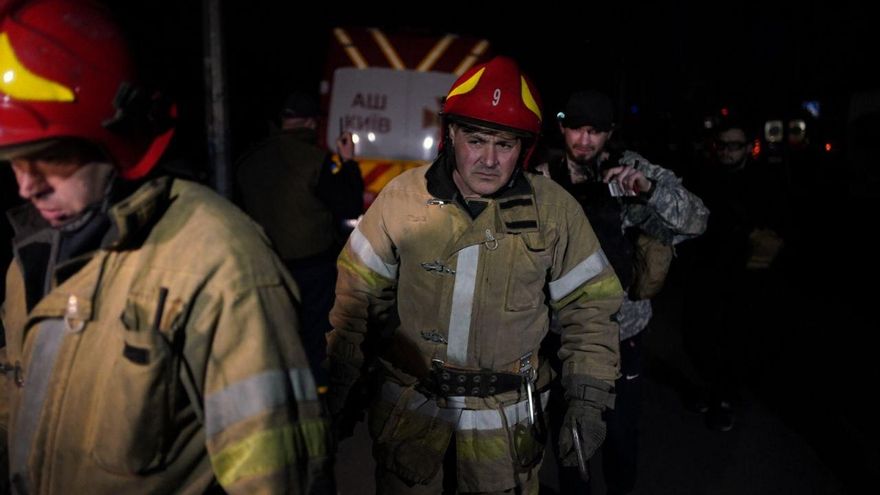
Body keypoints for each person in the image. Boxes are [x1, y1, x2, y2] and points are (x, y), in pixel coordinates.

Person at [0, 1, 329, 493]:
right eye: (11, 161)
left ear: (116, 138)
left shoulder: (218, 260)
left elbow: (275, 475)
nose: (28, 187)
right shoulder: (29, 255)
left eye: (50, 158)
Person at [326, 56, 624, 494]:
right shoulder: (403, 198)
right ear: (450, 134)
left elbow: (591, 307)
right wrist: (341, 381)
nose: (488, 159)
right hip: (411, 414)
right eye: (476, 139)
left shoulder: (554, 211)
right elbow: (356, 296)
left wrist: (588, 399)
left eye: (504, 144)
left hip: (503, 431)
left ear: (523, 148)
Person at [535, 89, 708, 494]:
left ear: (609, 133)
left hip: (622, 334)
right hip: (565, 335)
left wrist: (646, 189)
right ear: (562, 128)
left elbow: (697, 220)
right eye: (576, 129)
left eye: (595, 131)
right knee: (571, 439)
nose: (584, 141)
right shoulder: (543, 176)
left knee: (620, 436)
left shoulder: (629, 169)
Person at [236, 91, 363, 389]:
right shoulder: (316, 161)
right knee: (313, 336)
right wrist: (348, 163)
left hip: (262, 265)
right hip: (312, 269)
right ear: (310, 122)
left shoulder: (247, 160)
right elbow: (349, 206)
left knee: (269, 335)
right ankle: (314, 397)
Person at [679, 117, 787, 432]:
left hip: (742, 277)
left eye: (734, 145)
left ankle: (725, 398)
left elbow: (776, 226)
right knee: (698, 335)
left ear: (747, 147)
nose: (727, 151)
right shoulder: (703, 175)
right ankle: (710, 388)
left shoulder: (764, 180)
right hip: (705, 270)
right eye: (722, 145)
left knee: (732, 339)